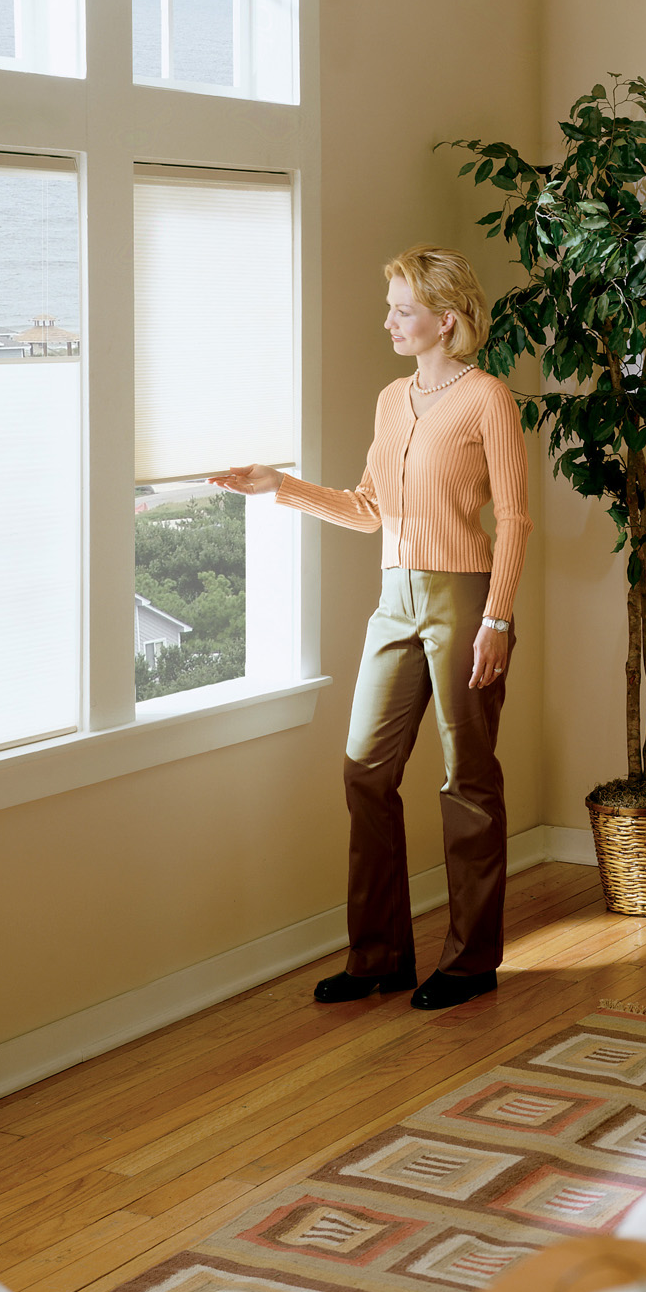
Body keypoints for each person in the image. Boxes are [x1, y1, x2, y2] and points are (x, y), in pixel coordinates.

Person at [212, 245, 531, 1011]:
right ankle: (381, 954)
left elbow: (515, 517)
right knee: (365, 770)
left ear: (445, 321)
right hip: (395, 598)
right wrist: (280, 487)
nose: (388, 321)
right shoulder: (393, 401)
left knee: (468, 780)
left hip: (464, 598)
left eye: (402, 309)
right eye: (390, 306)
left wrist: (497, 618)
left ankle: (471, 959)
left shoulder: (488, 399)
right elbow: (368, 507)